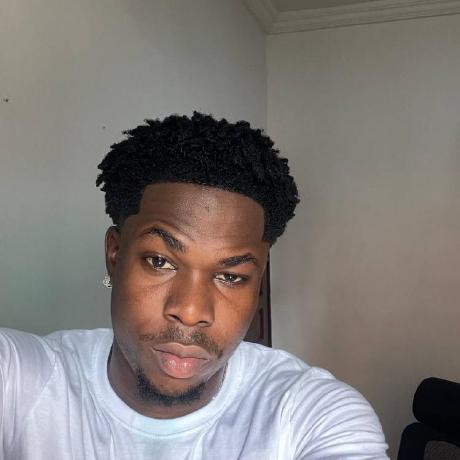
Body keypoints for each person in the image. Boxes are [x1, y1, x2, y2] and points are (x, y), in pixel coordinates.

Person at [0, 112, 388, 459]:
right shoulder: (20, 382)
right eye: (160, 261)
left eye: (231, 276)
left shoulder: (311, 414)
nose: (190, 311)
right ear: (115, 255)